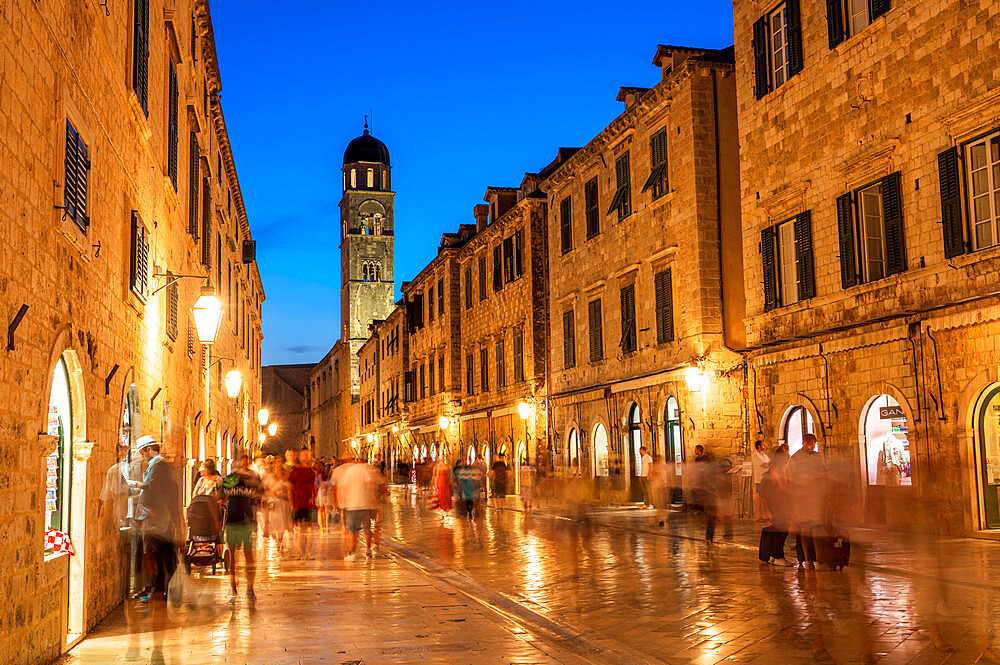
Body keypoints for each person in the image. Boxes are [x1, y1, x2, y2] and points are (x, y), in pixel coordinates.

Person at [129, 436, 180, 603]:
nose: (143, 456)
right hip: (152, 515)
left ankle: (157, 589)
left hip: (154, 517)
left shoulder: (159, 464)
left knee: (154, 553)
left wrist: (133, 484)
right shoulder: (157, 464)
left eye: (143, 452)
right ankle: (157, 589)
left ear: (149, 449)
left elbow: (152, 486)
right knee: (155, 553)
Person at [222, 455, 261, 598]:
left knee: (248, 554)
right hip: (233, 518)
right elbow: (224, 494)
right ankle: (233, 584)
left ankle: (250, 587)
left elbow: (257, 494)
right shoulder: (232, 478)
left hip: (245, 518)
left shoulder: (252, 478)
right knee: (233, 556)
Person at [790, 433, 827, 569]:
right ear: (811, 442)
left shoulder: (794, 457)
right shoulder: (816, 457)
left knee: (804, 529)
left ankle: (807, 560)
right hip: (814, 495)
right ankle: (817, 560)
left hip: (800, 496)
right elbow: (823, 473)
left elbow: (790, 477)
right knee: (816, 528)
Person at [338, 456, 380, 561]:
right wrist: (372, 498)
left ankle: (352, 553)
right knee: (367, 528)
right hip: (365, 504)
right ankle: (368, 550)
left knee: (353, 530)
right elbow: (371, 484)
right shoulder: (366, 469)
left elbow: (343, 487)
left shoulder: (350, 471)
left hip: (353, 504)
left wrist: (342, 501)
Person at [760, 444, 792, 566]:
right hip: (779, 501)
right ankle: (779, 556)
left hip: (777, 501)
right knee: (782, 528)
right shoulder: (777, 468)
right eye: (786, 454)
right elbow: (783, 486)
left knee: (779, 527)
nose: (788, 456)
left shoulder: (777, 467)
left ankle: (773, 555)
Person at [287, 449, 317, 558]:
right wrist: (291, 502)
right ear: (300, 457)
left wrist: (314, 497)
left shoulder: (312, 472)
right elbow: (290, 487)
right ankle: (301, 552)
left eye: (308, 454)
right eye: (304, 455)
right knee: (300, 529)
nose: (306, 456)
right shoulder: (295, 471)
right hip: (299, 503)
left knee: (310, 529)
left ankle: (308, 552)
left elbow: (314, 487)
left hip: (309, 503)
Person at [262, 457, 292, 549]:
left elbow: (289, 488)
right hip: (272, 501)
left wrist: (290, 500)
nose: (278, 464)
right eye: (277, 462)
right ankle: (275, 537)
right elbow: (264, 489)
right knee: (272, 520)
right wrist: (270, 493)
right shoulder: (269, 476)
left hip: (282, 500)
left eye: (280, 462)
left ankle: (280, 540)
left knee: (281, 521)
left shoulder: (285, 475)